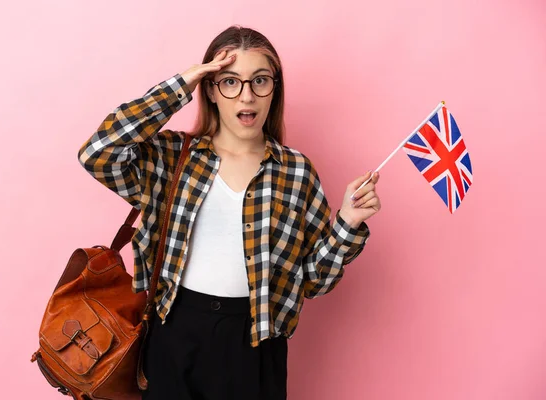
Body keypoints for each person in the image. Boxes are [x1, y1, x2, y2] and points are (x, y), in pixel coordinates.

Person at [77, 25, 381, 400]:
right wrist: (179, 86)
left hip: (256, 342)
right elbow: (97, 153)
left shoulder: (296, 171)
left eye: (260, 81)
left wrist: (348, 223)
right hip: (175, 331)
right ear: (211, 89)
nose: (246, 96)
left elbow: (314, 280)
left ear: (275, 89)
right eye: (230, 82)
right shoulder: (172, 157)